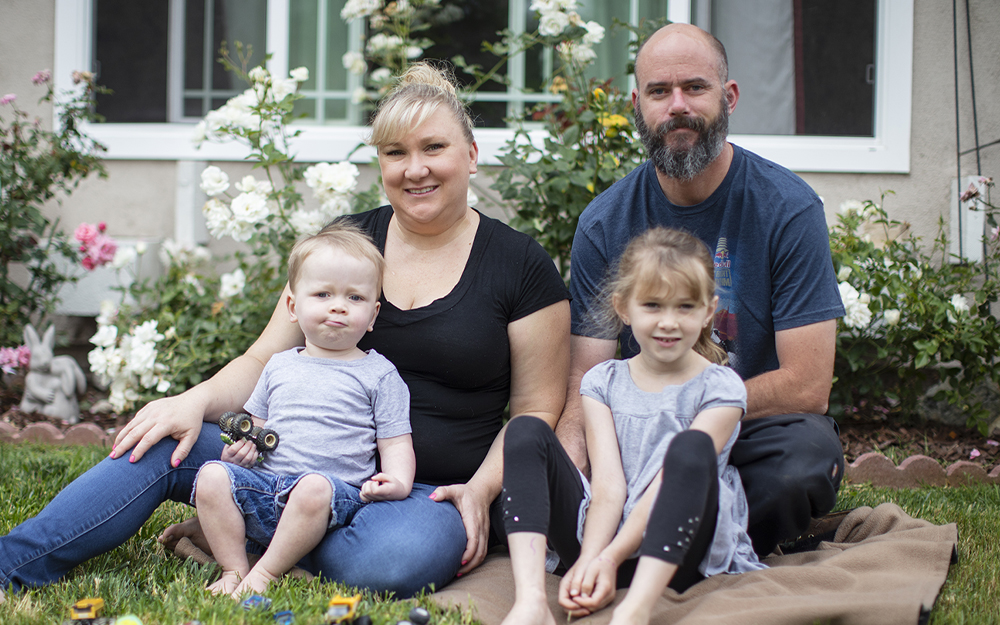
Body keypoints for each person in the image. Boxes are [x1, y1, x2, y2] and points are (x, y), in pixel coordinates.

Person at [0, 62, 570, 601]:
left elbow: (536, 409)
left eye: (434, 148)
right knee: (158, 445)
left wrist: (481, 490)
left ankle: (242, 536)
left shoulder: (519, 265)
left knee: (396, 563)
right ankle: (13, 564)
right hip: (282, 463)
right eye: (395, 153)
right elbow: (262, 357)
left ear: (470, 155)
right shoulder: (345, 244)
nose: (414, 169)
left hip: (417, 493)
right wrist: (191, 402)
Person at [556, 23, 847, 559]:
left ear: (728, 96)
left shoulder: (788, 208)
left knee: (803, 460)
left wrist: (688, 412)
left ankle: (645, 542)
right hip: (635, 438)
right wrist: (571, 461)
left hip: (748, 429)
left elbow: (807, 386)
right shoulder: (605, 222)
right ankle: (691, 540)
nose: (677, 107)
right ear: (637, 103)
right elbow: (584, 376)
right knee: (557, 472)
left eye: (695, 87)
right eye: (659, 92)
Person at [502, 228, 764, 625]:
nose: (669, 322)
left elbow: (665, 486)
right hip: (605, 536)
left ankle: (635, 611)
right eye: (653, 305)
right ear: (623, 307)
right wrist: (591, 560)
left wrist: (610, 557)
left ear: (709, 311)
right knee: (524, 432)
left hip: (677, 548)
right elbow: (609, 486)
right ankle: (531, 601)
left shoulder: (720, 389)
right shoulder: (602, 382)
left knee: (689, 450)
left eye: (686, 307)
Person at [194, 225, 415, 598]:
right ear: (294, 307)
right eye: (323, 293)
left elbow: (394, 441)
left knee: (313, 485)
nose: (338, 305)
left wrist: (398, 480)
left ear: (373, 314)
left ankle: (264, 573)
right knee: (213, 475)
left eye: (355, 297)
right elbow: (257, 429)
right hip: (268, 489)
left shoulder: (378, 373)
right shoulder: (279, 365)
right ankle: (234, 569)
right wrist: (239, 453)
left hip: (332, 497)